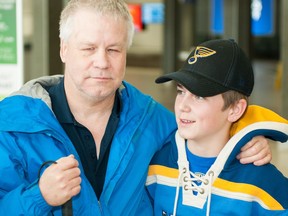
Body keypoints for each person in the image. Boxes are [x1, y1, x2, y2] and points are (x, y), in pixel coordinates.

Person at [0, 1, 271, 215]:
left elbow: (207, 126)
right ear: (64, 50)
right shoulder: (12, 125)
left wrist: (244, 134)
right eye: (89, 48)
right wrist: (39, 196)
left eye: (114, 50)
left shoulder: (151, 120)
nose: (102, 62)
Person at [146, 39, 288, 216]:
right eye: (181, 92)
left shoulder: (260, 180)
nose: (183, 106)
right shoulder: (156, 163)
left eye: (198, 97)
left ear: (235, 109)